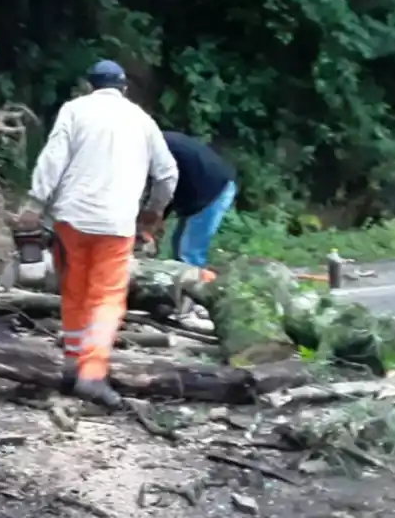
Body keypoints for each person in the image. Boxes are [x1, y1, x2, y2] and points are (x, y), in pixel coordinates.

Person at [14, 60, 179, 409]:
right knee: (106, 297)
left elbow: (53, 159)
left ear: (90, 86)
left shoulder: (75, 111)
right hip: (116, 224)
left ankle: (72, 364)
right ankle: (92, 373)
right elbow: (167, 175)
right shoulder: (143, 121)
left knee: (73, 291)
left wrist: (34, 203)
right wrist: (153, 210)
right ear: (124, 88)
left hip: (71, 219)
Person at [139, 131, 237, 271]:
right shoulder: (154, 143)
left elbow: (164, 186)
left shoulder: (156, 151)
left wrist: (152, 220)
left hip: (213, 189)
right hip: (198, 184)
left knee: (188, 253)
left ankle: (194, 289)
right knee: (179, 244)